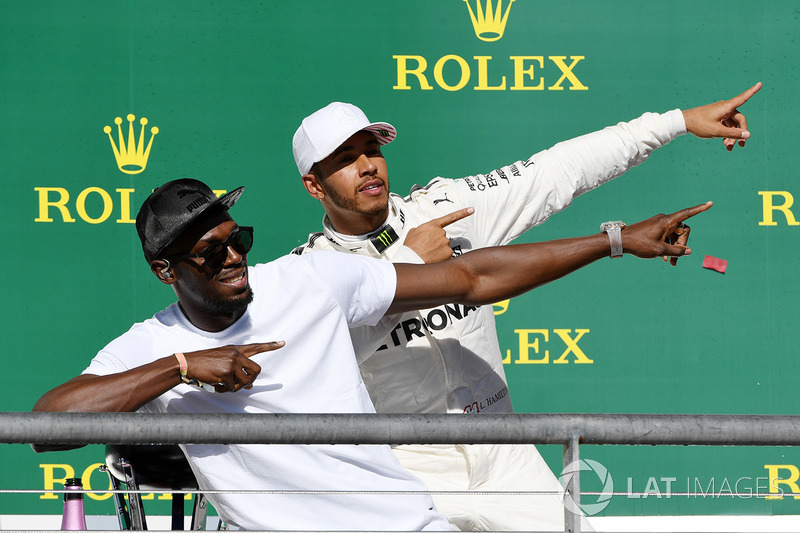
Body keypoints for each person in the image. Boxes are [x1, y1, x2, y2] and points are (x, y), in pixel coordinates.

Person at [33, 178, 709, 531]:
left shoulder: (308, 281)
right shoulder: (151, 343)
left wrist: (616, 240)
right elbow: (47, 423)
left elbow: (472, 279)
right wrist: (181, 369)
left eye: (238, 235)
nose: (235, 254)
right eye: (212, 251)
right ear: (166, 271)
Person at [290, 86, 759, 531]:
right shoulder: (307, 275)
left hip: (503, 448)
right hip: (408, 469)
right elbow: (315, 361)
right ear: (315, 185)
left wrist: (676, 121)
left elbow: (559, 169)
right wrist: (410, 262)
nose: (368, 166)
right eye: (346, 160)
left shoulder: (447, 207)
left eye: (372, 150)